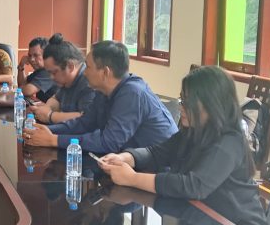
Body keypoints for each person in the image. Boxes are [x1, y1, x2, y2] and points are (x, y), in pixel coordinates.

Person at [98, 66, 268, 225]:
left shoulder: (229, 142)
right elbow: (157, 153)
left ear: (211, 105)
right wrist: (126, 158)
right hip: (201, 219)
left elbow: (194, 186)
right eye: (181, 100)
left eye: (187, 103)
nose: (181, 108)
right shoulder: (193, 130)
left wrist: (132, 178)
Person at [23, 40, 177, 153]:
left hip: (158, 169)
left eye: (88, 67)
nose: (84, 72)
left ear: (105, 72)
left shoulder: (132, 93)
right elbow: (85, 123)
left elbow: (109, 142)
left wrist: (54, 140)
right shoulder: (102, 90)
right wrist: (46, 130)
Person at [27, 34, 95, 124]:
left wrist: (50, 116)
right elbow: (55, 98)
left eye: (54, 72)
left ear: (70, 66)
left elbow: (86, 118)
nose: (51, 77)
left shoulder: (90, 81)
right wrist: (46, 109)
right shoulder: (66, 80)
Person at [16, 36, 57, 102]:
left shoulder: (49, 71)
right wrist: (21, 66)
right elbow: (22, 84)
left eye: (36, 55)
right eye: (30, 55)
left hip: (51, 108)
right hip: (43, 106)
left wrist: (16, 90)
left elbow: (27, 91)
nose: (31, 59)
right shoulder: (39, 71)